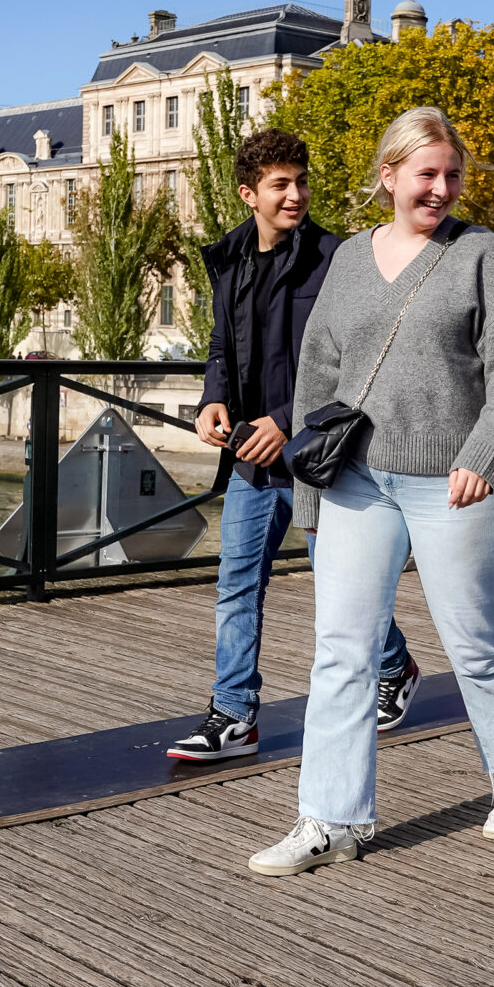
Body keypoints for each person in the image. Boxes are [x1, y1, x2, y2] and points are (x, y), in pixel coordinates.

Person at [248, 107, 494, 875]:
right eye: (426, 174)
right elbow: (319, 375)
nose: (441, 188)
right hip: (356, 482)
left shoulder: (480, 253)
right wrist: (310, 500)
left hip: (456, 483)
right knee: (342, 651)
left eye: (453, 175)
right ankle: (330, 819)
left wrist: (483, 457)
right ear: (389, 176)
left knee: (473, 639)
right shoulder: (352, 258)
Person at [174, 130, 419, 763]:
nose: (295, 195)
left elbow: (359, 360)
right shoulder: (228, 259)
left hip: (318, 456)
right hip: (251, 459)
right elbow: (222, 346)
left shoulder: (340, 258)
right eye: (280, 184)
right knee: (237, 583)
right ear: (247, 194)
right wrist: (212, 399)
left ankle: (395, 663)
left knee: (338, 585)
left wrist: (285, 420)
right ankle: (234, 714)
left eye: (301, 182)